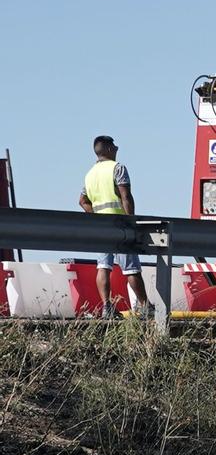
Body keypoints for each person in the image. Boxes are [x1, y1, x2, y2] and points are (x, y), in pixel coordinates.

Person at [77, 135, 151, 319]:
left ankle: (106, 307)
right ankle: (145, 306)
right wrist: (131, 221)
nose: (117, 149)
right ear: (109, 149)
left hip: (101, 227)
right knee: (131, 268)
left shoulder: (90, 174)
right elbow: (126, 196)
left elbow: (82, 201)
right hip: (120, 225)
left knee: (103, 266)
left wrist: (95, 217)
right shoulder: (117, 168)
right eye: (115, 146)